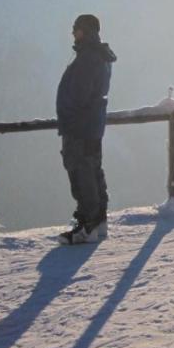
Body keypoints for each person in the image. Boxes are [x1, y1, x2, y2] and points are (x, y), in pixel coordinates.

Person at [56, 13, 117, 245]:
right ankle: (98, 221)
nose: (73, 33)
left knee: (81, 171)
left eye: (76, 29)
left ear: (86, 31)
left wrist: (69, 119)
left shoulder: (87, 58)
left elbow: (80, 94)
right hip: (92, 124)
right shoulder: (98, 57)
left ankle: (87, 225)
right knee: (93, 169)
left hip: (79, 126)